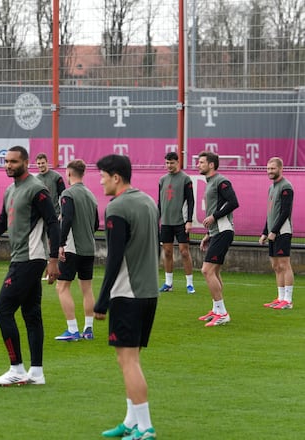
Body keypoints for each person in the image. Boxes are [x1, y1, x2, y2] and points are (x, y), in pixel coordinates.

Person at [0, 146, 60, 386]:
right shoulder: (10, 190)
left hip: (30, 259)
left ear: (26, 162)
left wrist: (53, 259)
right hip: (22, 258)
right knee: (31, 315)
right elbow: (3, 222)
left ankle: (17, 368)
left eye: (13, 161)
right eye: (6, 161)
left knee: (2, 310)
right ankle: (37, 373)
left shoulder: (37, 190)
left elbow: (53, 222)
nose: (8, 165)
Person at [94, 154, 158, 440]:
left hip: (127, 293)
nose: (101, 181)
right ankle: (132, 421)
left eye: (103, 176)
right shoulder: (148, 202)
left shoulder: (117, 207)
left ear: (116, 177)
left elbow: (114, 257)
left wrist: (102, 299)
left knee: (128, 361)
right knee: (129, 360)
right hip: (148, 292)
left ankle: (145, 428)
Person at [54, 159, 99, 342]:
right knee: (87, 289)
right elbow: (96, 224)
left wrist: (61, 243)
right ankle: (88, 329)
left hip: (72, 247)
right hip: (89, 248)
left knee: (62, 286)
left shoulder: (68, 193)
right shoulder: (91, 195)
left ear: (68, 173)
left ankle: (72, 330)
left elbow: (67, 219)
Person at [196, 151, 239, 327]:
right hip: (216, 232)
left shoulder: (221, 181)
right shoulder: (210, 183)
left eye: (201, 162)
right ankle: (216, 309)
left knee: (207, 270)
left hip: (224, 231)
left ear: (211, 165)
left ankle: (222, 313)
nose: (198, 165)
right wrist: (208, 234)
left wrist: (214, 217)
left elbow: (233, 202)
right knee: (215, 271)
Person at [157, 152, 195, 293]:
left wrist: (189, 221)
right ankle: (168, 283)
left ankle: (189, 284)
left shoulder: (185, 179)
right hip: (166, 222)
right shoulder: (162, 180)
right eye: (167, 163)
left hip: (181, 222)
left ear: (177, 162)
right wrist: (157, 218)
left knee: (184, 252)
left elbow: (191, 201)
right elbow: (160, 202)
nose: (169, 165)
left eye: (172, 163)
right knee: (167, 252)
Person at [259, 157, 294, 309]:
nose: (270, 171)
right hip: (273, 232)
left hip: (283, 231)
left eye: (273, 168)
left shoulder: (286, 186)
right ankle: (280, 298)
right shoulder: (271, 187)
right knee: (275, 265)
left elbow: (285, 212)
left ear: (281, 169)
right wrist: (265, 232)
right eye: (268, 168)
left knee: (284, 264)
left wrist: (274, 231)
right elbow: (270, 213)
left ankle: (288, 300)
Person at [35, 153, 66, 217]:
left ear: (47, 162)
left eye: (43, 163)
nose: (40, 165)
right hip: (41, 216)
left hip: (55, 215)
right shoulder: (35, 180)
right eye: (38, 163)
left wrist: (62, 213)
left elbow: (63, 196)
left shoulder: (56, 177)